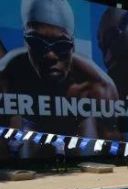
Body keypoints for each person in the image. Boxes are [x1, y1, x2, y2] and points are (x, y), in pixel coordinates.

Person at [0, 0, 118, 138]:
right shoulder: (6, 74)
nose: (50, 55)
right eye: (37, 43)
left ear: (72, 46)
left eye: (61, 46)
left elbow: (113, 143)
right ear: (26, 42)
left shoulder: (98, 86)